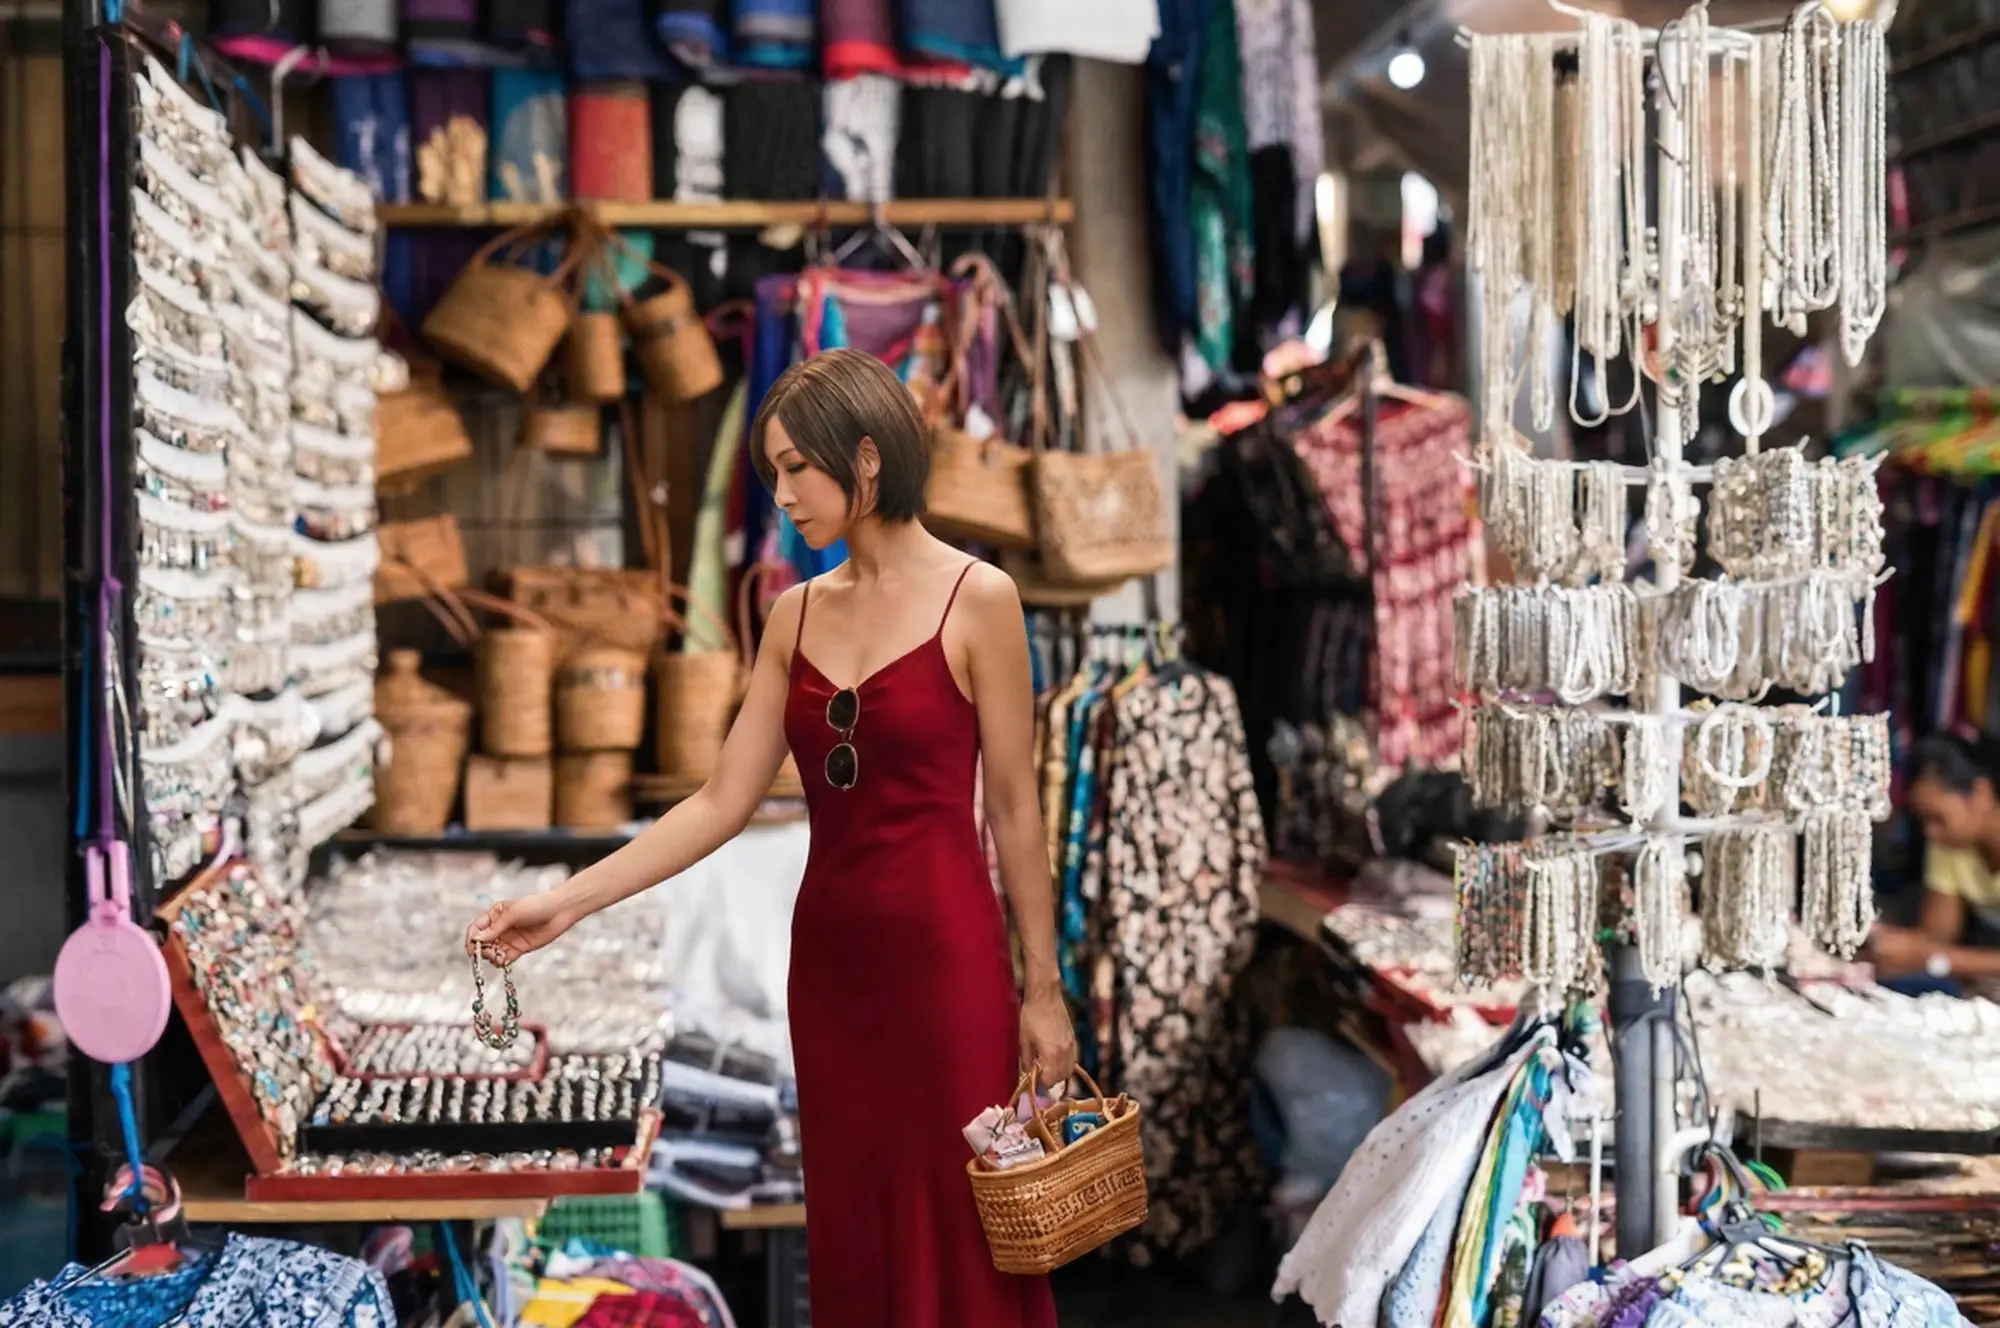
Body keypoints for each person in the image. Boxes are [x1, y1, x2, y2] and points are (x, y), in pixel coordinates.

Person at [467, 348, 1071, 1328]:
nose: (781, 492)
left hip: (944, 964)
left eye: (797, 467)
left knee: (964, 1217)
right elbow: (718, 801)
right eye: (773, 471)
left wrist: (1041, 994)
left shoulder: (981, 598)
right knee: (852, 1220)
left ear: (866, 460)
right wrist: (564, 902)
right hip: (829, 968)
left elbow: (1013, 808)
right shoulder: (792, 614)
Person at [1869, 731, 2000, 993]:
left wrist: (1935, 959)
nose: (1930, 832)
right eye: (1924, 820)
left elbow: (1934, 952)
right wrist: (1883, 939)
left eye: (1938, 818)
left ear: (1980, 793)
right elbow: (1937, 937)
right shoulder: (1951, 845)